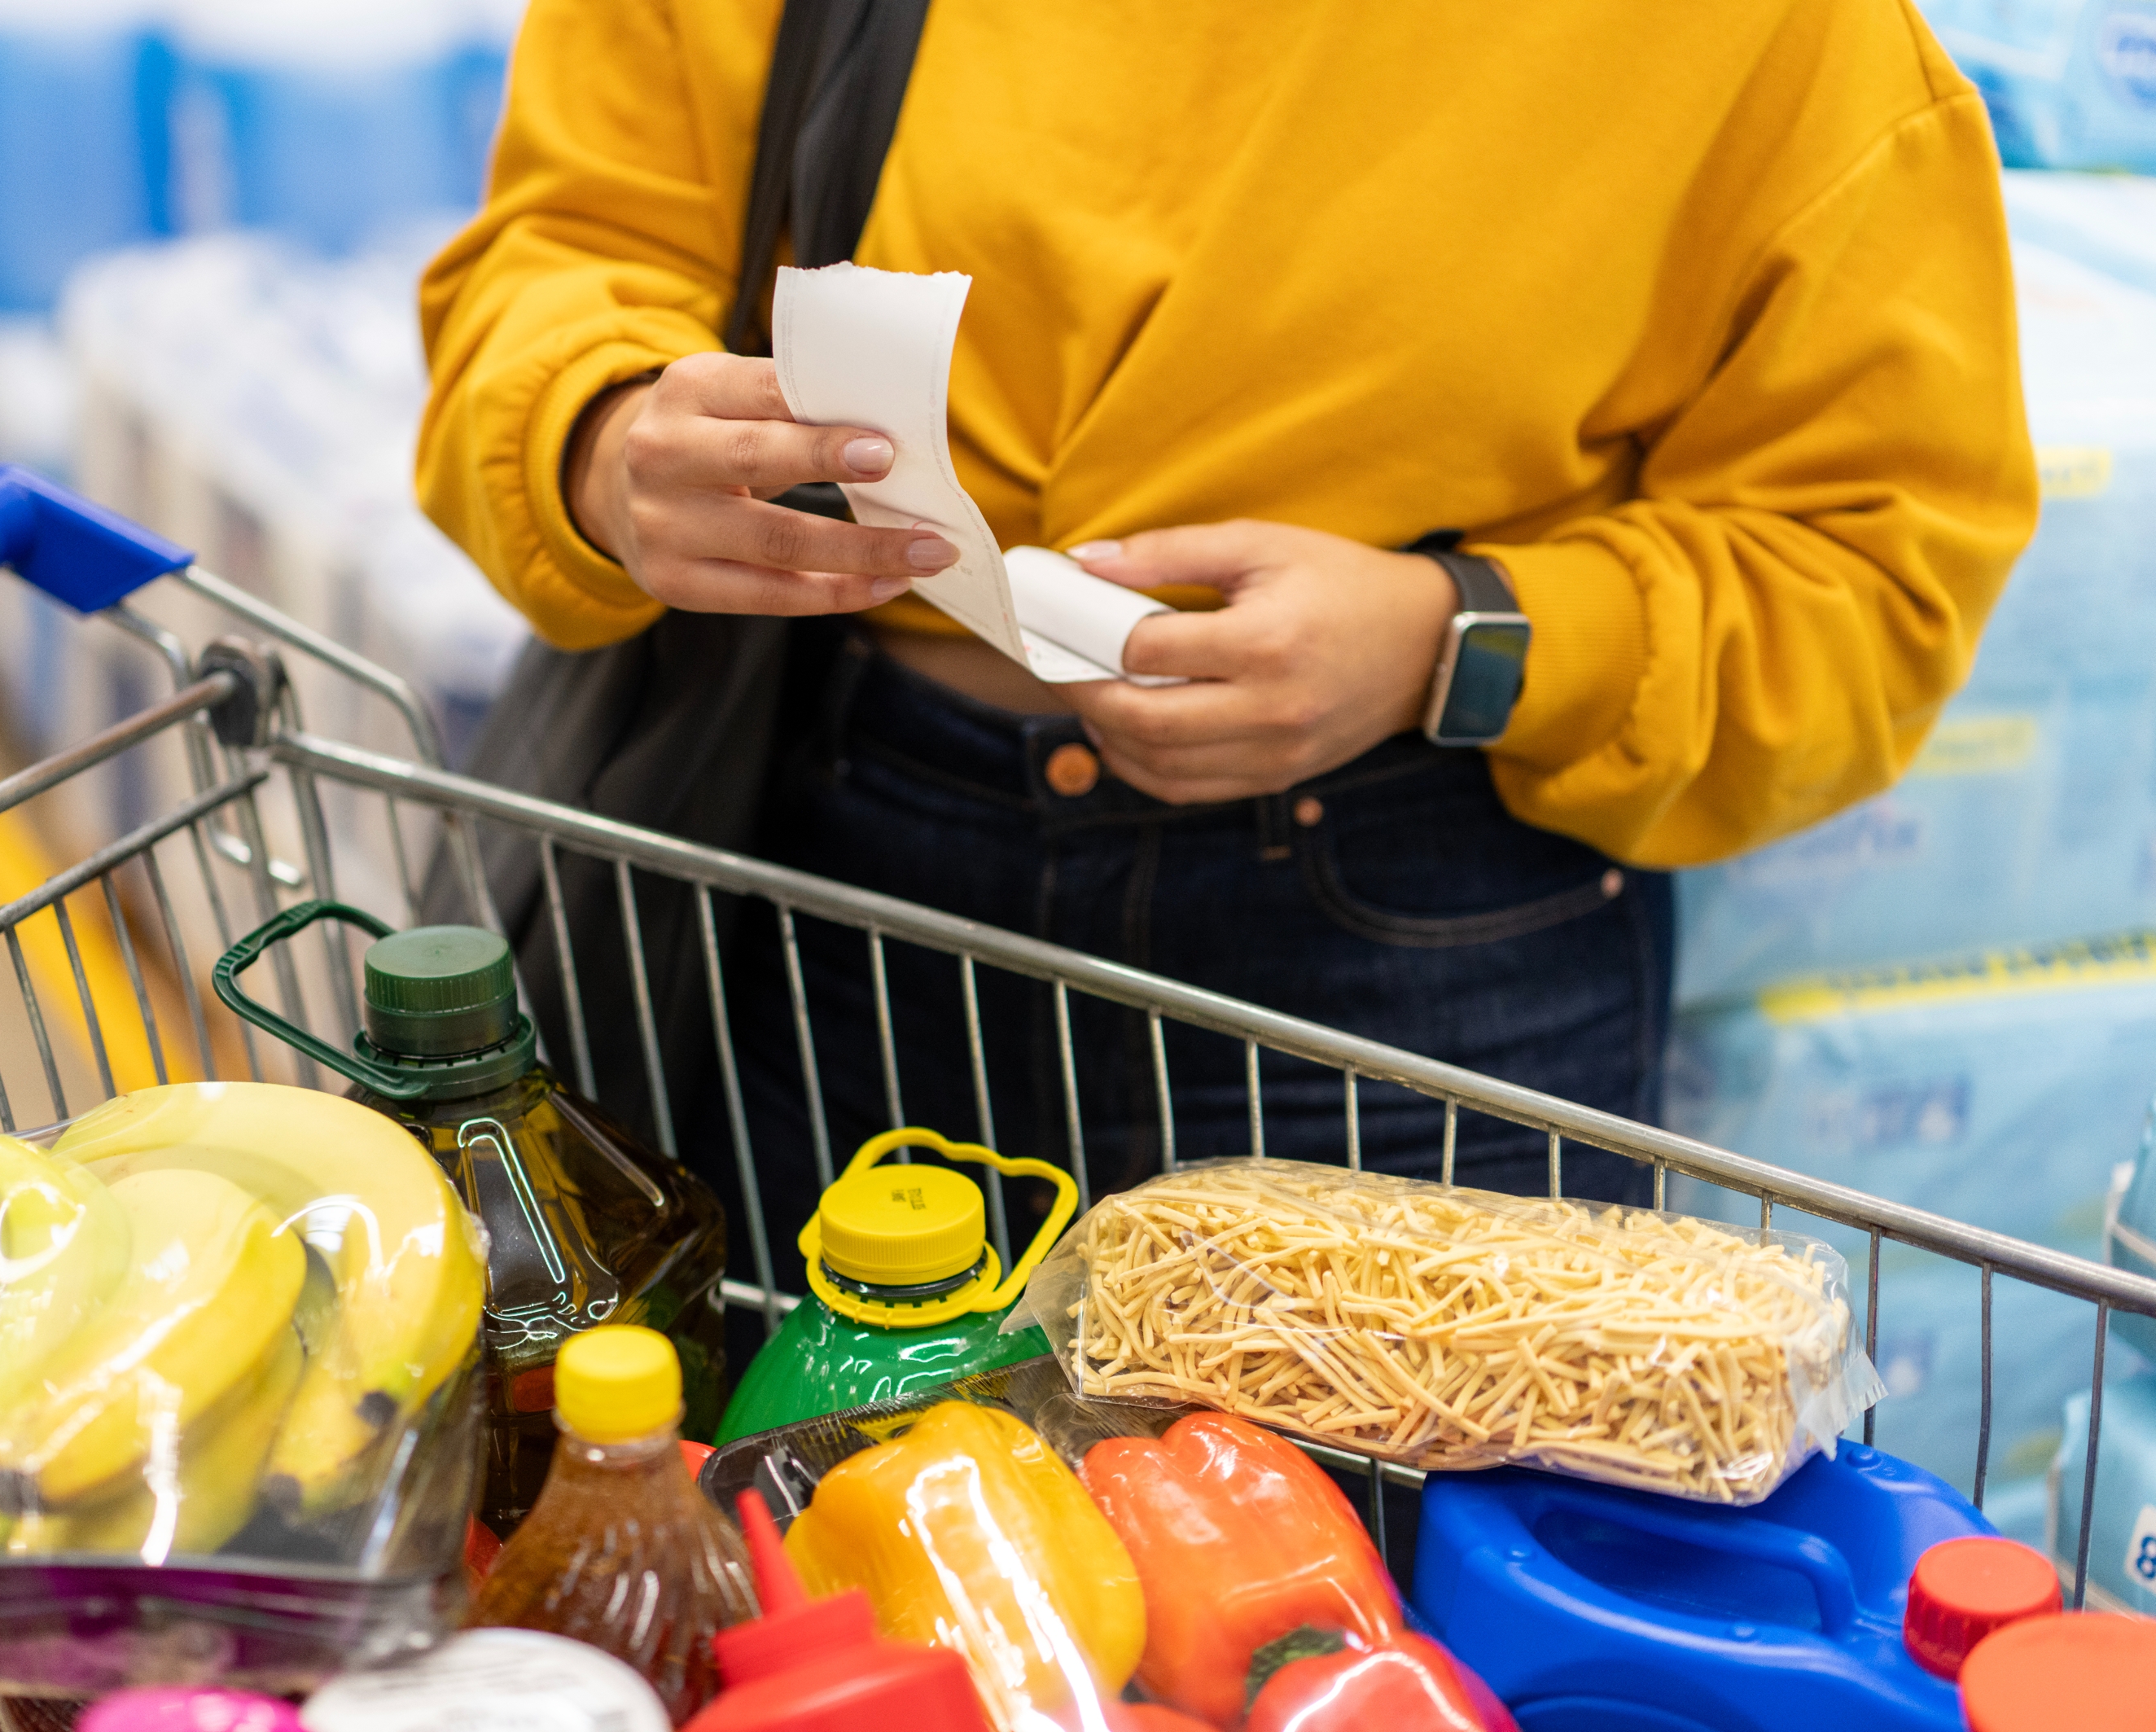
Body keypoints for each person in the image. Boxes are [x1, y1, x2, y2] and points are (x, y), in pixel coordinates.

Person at [414, 1, 2036, 1241]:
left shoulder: (1785, 47)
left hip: (1410, 934)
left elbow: (1869, 571)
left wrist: (1448, 633)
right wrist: (607, 438)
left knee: (1376, 1629)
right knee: (818, 1579)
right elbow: (563, 253)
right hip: (828, 869)